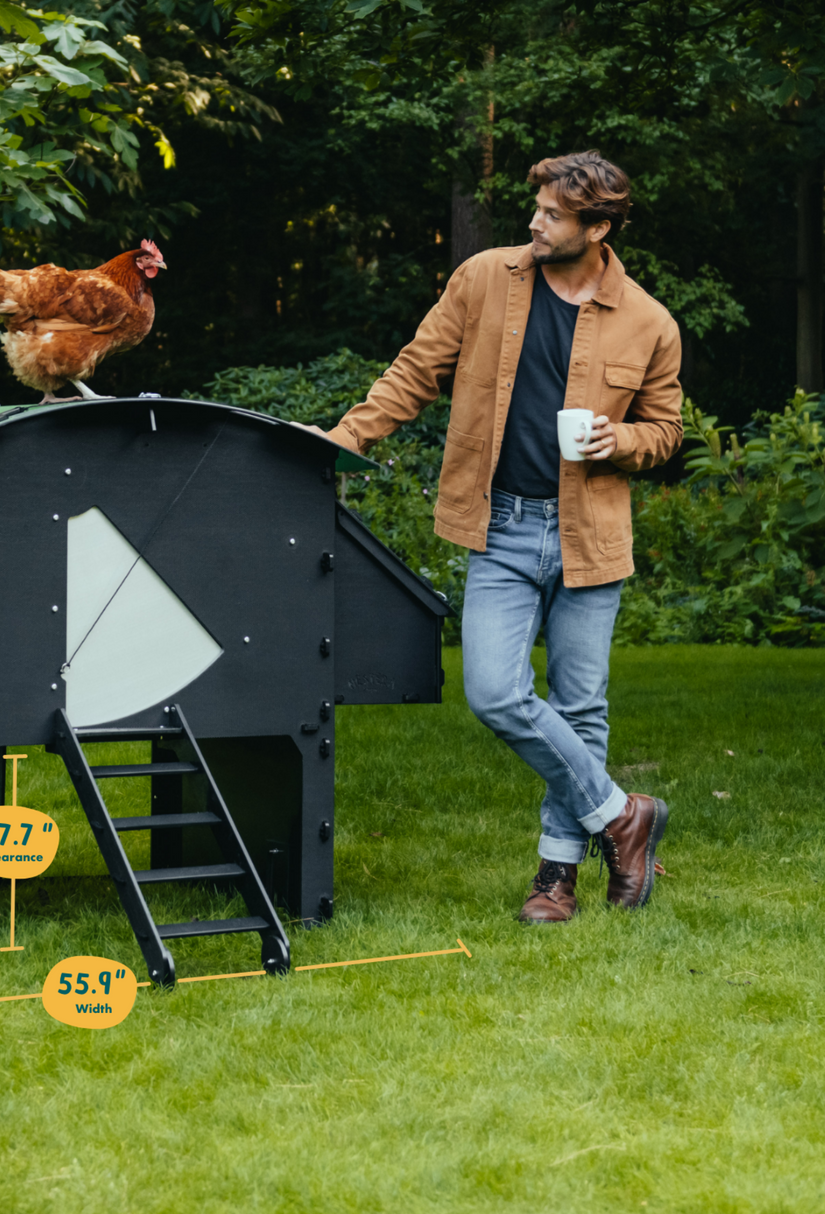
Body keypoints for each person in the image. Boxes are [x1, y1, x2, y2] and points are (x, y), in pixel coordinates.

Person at [316, 151, 682, 923]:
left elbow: (666, 432)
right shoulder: (484, 279)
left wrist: (623, 442)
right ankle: (624, 815)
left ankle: (556, 880)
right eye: (539, 209)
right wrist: (344, 440)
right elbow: (416, 369)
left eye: (552, 214)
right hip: (503, 529)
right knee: (495, 692)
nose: (535, 222)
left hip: (592, 538)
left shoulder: (650, 322)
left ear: (598, 227)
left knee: (581, 710)